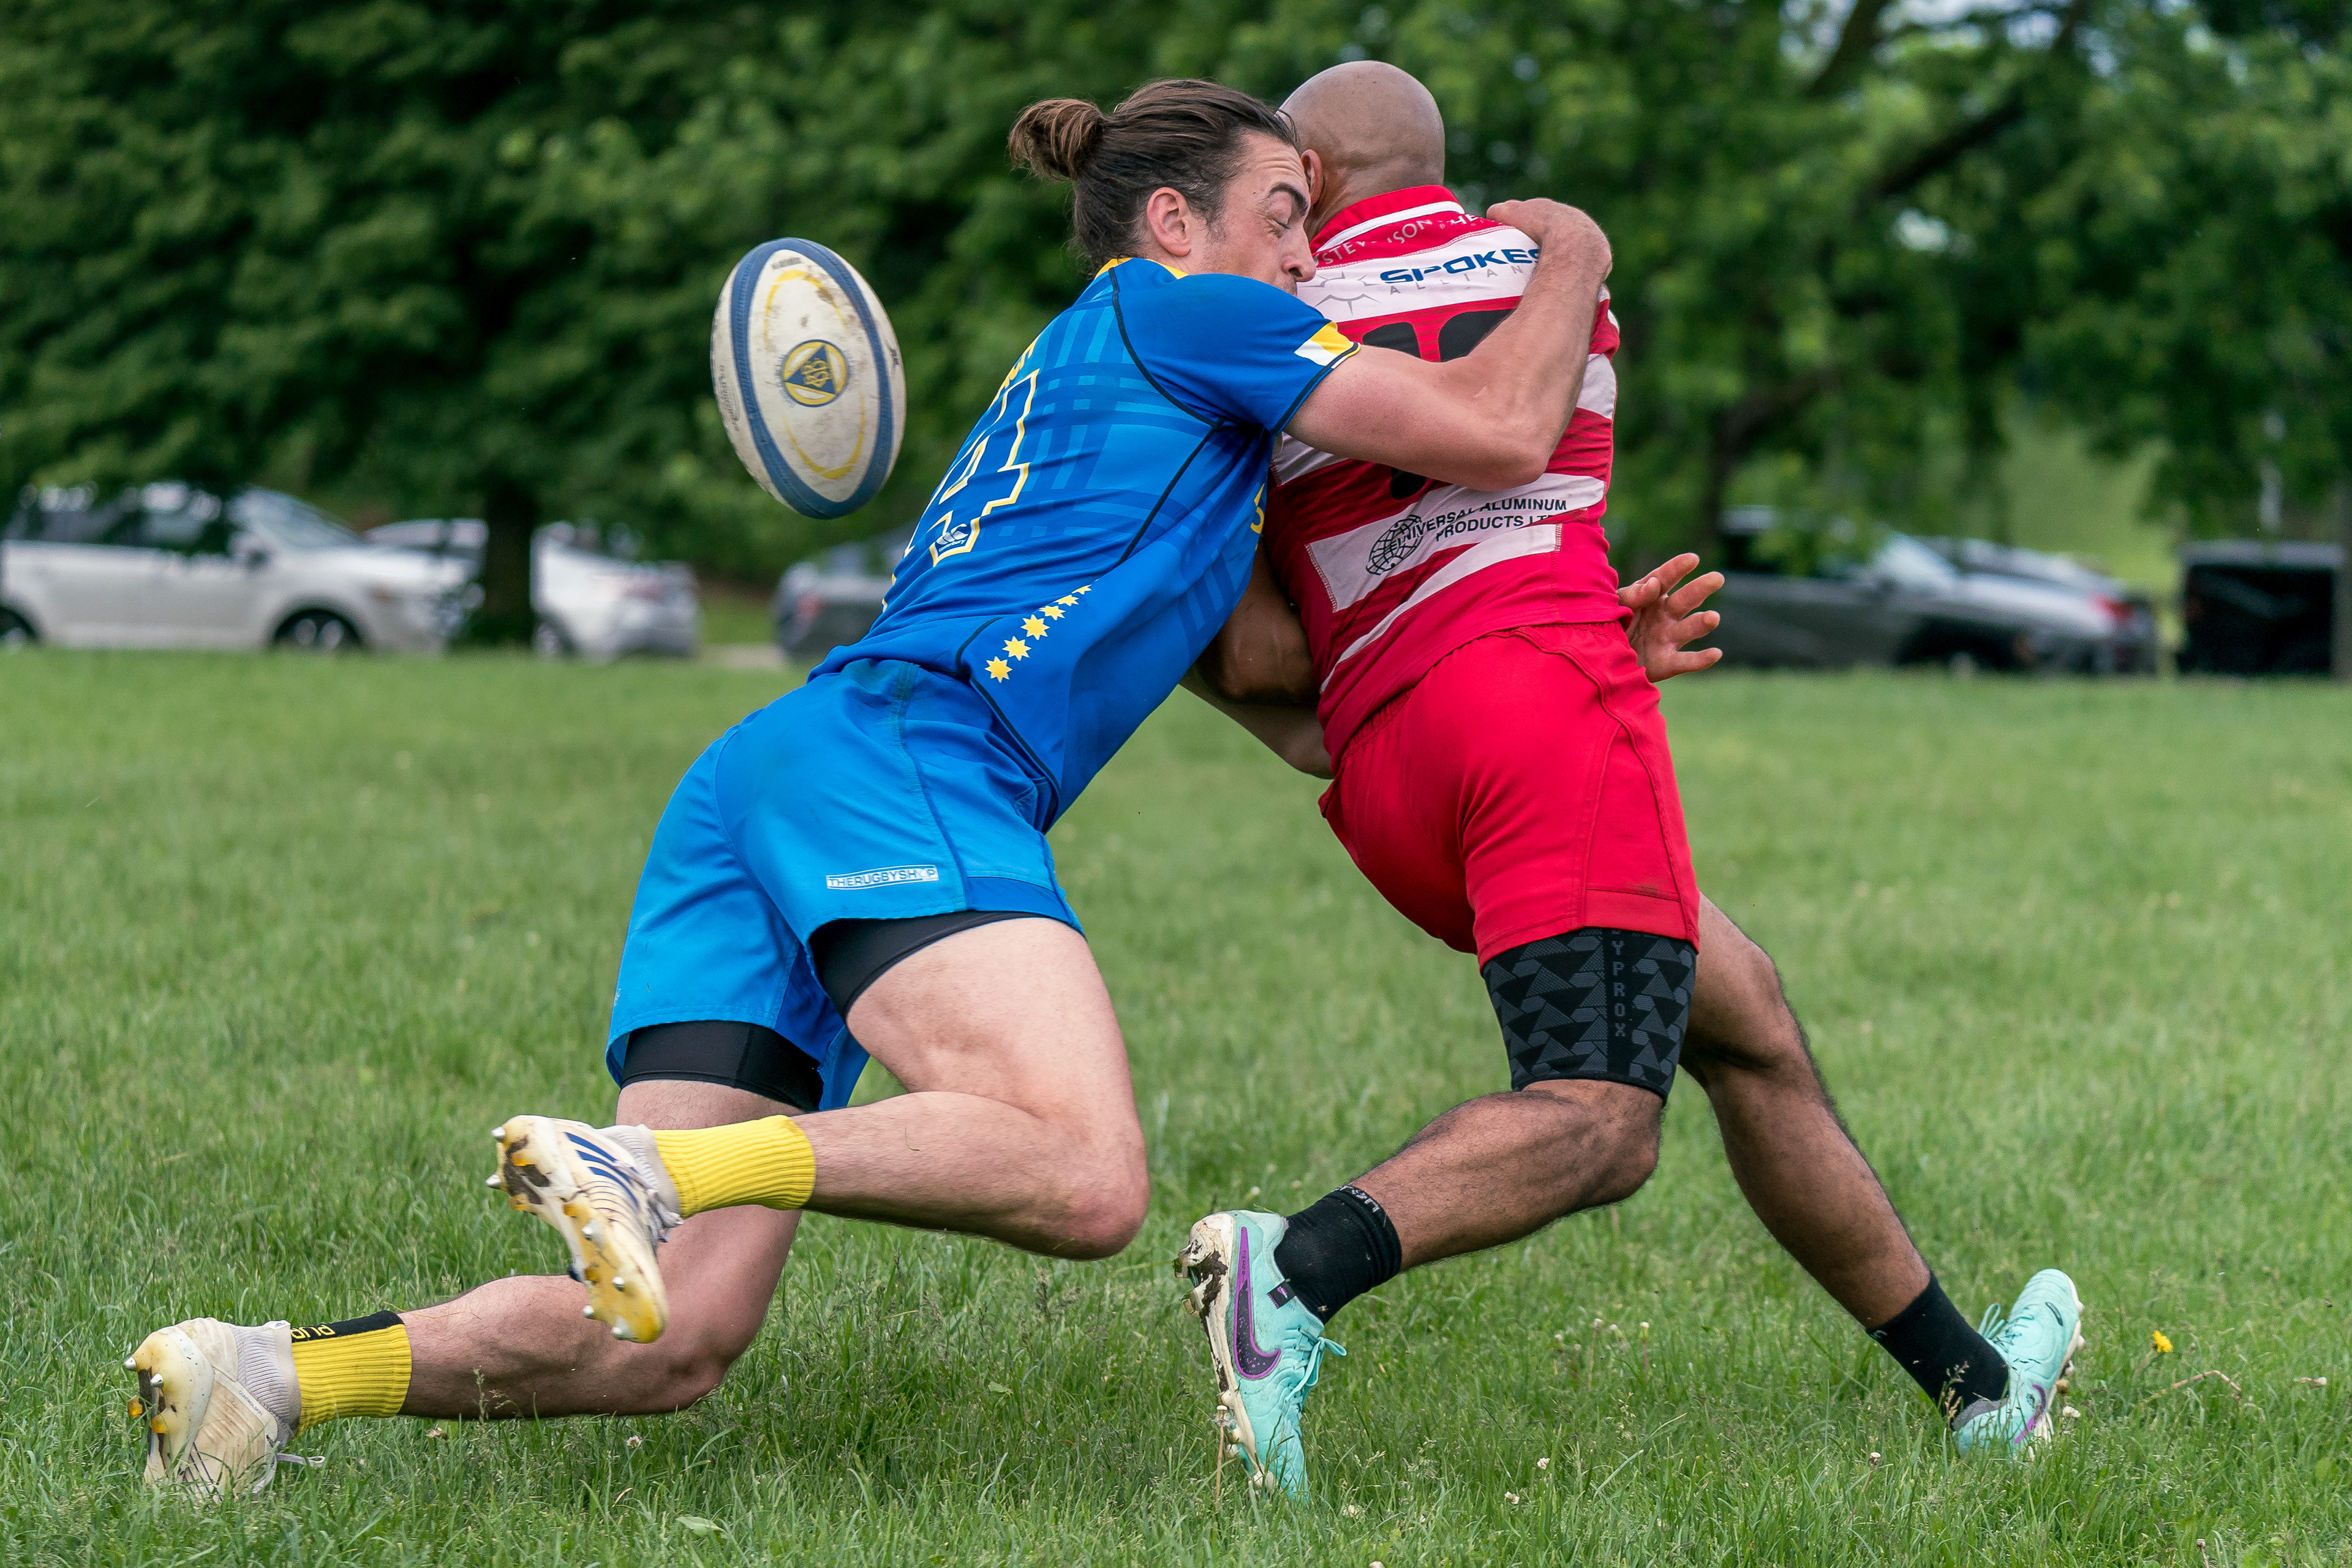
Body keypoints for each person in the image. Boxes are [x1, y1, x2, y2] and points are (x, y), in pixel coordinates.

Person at [124, 78, 1622, 1497]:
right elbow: (1499, 426)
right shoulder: (1194, 314)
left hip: (781, 772)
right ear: (1175, 222)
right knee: (1088, 1174)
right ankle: (645, 1165)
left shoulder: (1124, 390)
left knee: (674, 1339)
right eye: (1288, 212)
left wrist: (1592, 635)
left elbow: (1305, 715)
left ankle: (260, 1374)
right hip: (911, 756)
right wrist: (1576, 247)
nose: (1315, 253)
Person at [1170, 61, 2083, 1501]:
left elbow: (1267, 641)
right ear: (1434, 162)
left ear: (1315, 178)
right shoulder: (1551, 276)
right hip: (1548, 722)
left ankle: (1976, 1389)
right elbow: (1522, 457)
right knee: (1601, 1114)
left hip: (1392, 769)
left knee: (1749, 1019)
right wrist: (1580, 246)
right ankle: (1290, 1272)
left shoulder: (1259, 325)